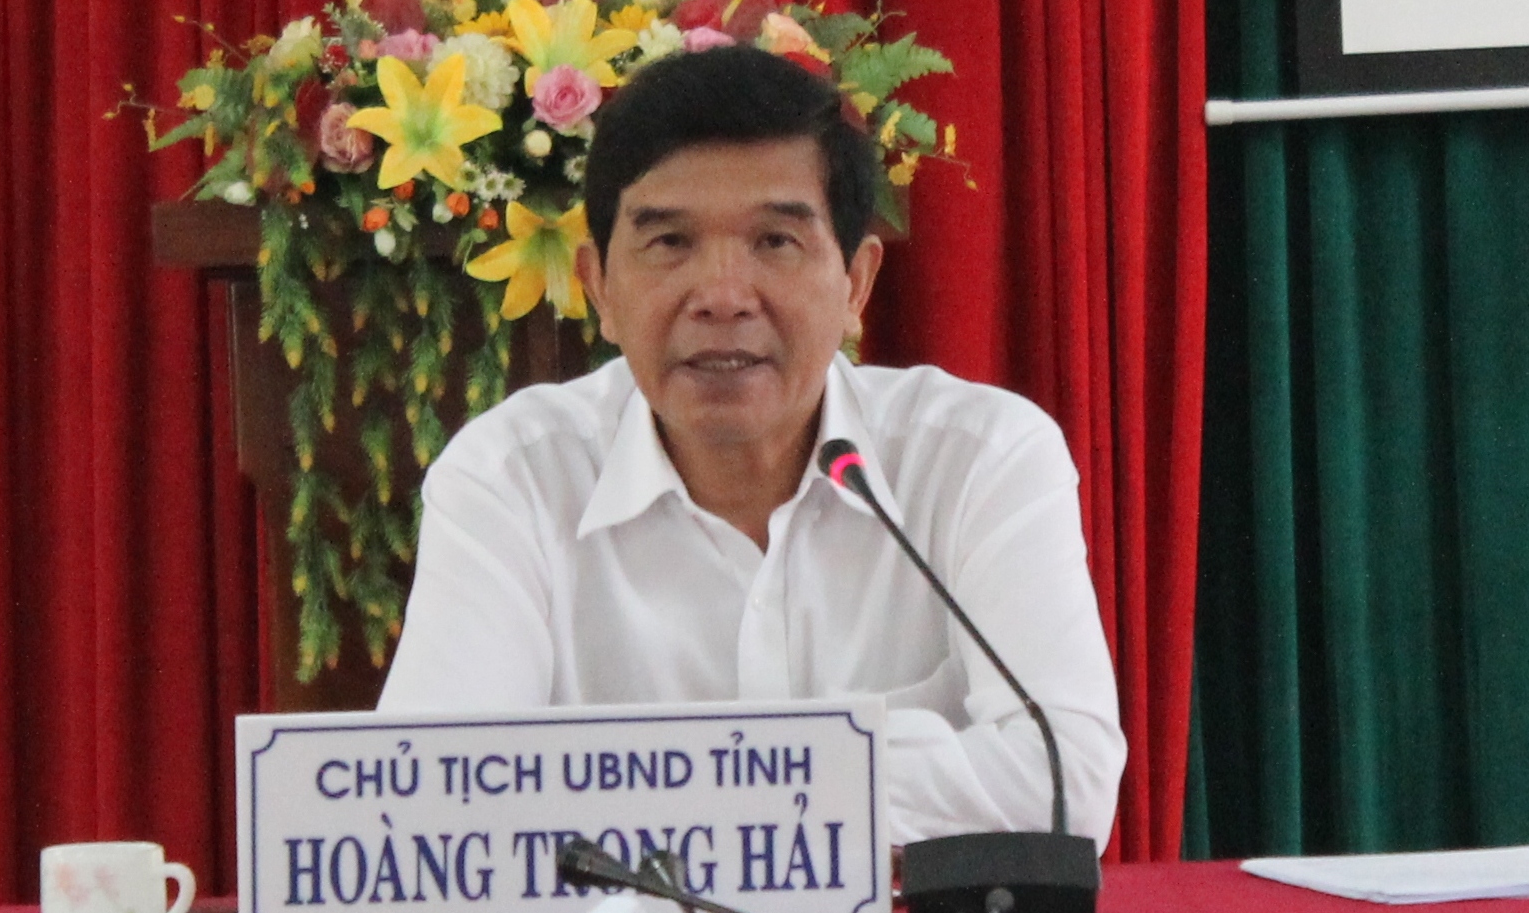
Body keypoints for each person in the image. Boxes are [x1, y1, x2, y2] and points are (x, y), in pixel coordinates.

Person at [378, 43, 1126, 849]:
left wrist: (641, 791)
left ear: (856, 284)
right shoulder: (510, 479)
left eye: (775, 241)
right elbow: (434, 798)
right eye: (670, 243)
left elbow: (1065, 784)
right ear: (600, 289)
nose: (723, 297)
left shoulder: (979, 458)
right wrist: (850, 773)